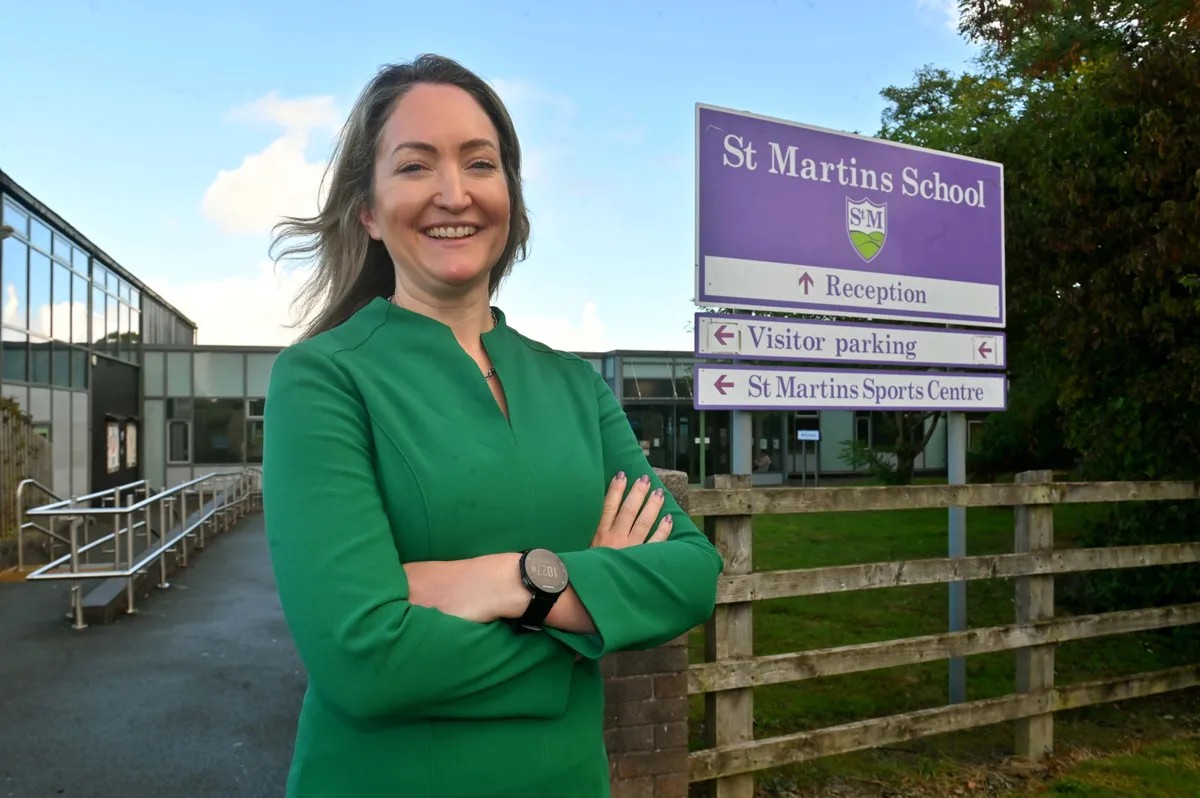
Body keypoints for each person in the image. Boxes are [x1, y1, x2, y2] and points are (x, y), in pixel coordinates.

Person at [262, 54, 724, 798]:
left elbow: (691, 575)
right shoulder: (322, 379)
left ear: (508, 194)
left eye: (480, 163)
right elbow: (364, 661)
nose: (455, 193)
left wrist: (504, 584)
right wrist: (587, 609)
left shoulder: (575, 385)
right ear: (370, 211)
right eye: (415, 166)